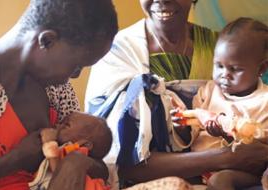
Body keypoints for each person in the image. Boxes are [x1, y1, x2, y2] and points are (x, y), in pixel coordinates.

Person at [85, 0, 268, 188]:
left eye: (234, 69)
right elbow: (119, 163)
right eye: (219, 67)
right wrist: (225, 157)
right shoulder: (117, 53)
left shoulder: (225, 48)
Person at [0, 0, 118, 189]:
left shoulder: (58, 90)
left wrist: (77, 162)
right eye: (77, 66)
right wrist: (14, 160)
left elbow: (99, 163)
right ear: (47, 40)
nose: (75, 76)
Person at [171, 17, 268, 190]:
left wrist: (229, 133)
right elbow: (192, 134)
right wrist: (182, 126)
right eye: (219, 66)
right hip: (200, 166)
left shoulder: (264, 101)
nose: (224, 75)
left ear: (261, 69)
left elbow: (260, 147)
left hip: (242, 171)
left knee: (220, 181)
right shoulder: (208, 91)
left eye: (235, 69)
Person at [29, 111, 112, 190]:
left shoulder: (78, 151)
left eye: (66, 125)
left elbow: (62, 177)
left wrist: (49, 144)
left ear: (85, 145)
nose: (58, 125)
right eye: (61, 122)